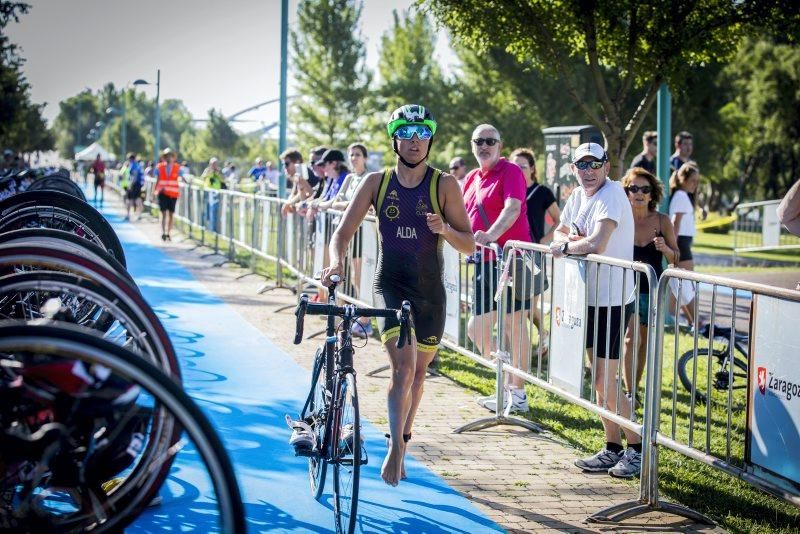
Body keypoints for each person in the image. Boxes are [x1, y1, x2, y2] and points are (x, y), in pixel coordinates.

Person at [320, 104, 474, 487]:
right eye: (406, 133)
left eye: (422, 133)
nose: (415, 141)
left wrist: (445, 231)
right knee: (402, 369)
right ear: (395, 139)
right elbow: (342, 232)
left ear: (430, 139)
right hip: (390, 284)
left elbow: (469, 244)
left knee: (419, 374)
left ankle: (404, 435)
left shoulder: (444, 185)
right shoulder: (376, 182)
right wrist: (336, 262)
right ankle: (395, 448)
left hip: (430, 292)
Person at [550, 142, 640, 478]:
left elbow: (597, 243)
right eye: (581, 166)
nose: (588, 172)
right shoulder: (577, 195)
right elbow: (562, 231)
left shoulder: (613, 193)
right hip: (585, 296)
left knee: (606, 379)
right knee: (599, 378)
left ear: (606, 166)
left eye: (595, 165)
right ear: (572, 168)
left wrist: (566, 246)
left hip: (612, 297)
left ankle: (637, 448)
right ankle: (612, 447)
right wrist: (570, 240)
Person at [462, 125, 532, 414]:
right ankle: (506, 387)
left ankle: (518, 393)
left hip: (514, 260)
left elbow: (512, 208)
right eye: (479, 141)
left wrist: (490, 234)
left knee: (514, 326)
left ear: (500, 145)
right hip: (485, 262)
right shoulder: (470, 178)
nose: (484, 145)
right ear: (472, 145)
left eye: (490, 141)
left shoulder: (511, 171)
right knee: (477, 329)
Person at [621, 167, 679, 398]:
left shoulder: (662, 221)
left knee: (642, 342)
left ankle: (634, 387)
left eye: (645, 189)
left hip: (650, 289)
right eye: (633, 188)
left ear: (652, 194)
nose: (639, 193)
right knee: (630, 339)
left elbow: (676, 257)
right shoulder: (620, 218)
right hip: (624, 287)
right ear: (626, 192)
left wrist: (665, 248)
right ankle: (629, 391)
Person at [510, 147, 560, 354]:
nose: (518, 169)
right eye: (514, 166)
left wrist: (542, 240)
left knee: (528, 306)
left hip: (532, 254)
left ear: (532, 168)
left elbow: (560, 220)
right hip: (510, 253)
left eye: (522, 166)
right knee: (514, 307)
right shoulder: (509, 189)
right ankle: (522, 345)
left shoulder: (542, 192)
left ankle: (542, 337)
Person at [668, 162, 700, 327]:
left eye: (697, 181)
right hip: (681, 243)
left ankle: (674, 316)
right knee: (688, 285)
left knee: (679, 284)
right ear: (682, 179)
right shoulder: (681, 196)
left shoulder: (681, 195)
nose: (695, 184)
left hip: (682, 242)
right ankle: (695, 321)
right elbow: (676, 223)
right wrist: (674, 247)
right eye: (692, 180)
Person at [154, 148, 181, 241]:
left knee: (171, 215)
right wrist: (154, 191)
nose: (169, 158)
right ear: (165, 157)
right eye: (167, 156)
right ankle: (163, 232)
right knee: (163, 213)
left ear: (173, 157)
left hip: (173, 194)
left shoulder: (177, 167)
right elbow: (157, 180)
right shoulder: (160, 167)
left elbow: (181, 177)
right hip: (162, 193)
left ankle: (169, 233)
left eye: (171, 156)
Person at [202, 157, 226, 232]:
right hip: (208, 193)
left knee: (215, 211)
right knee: (207, 211)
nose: (214, 165)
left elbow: (223, 180)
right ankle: (206, 227)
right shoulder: (207, 170)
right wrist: (210, 172)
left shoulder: (219, 171)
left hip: (216, 193)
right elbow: (203, 177)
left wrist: (217, 173)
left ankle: (214, 229)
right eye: (213, 164)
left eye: (215, 164)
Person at [124, 153, 145, 221]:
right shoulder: (138, 165)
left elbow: (134, 176)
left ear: (130, 159)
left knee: (130, 200)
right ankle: (139, 215)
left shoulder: (133, 165)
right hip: (138, 185)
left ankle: (128, 215)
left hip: (134, 185)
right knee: (137, 199)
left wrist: (130, 185)